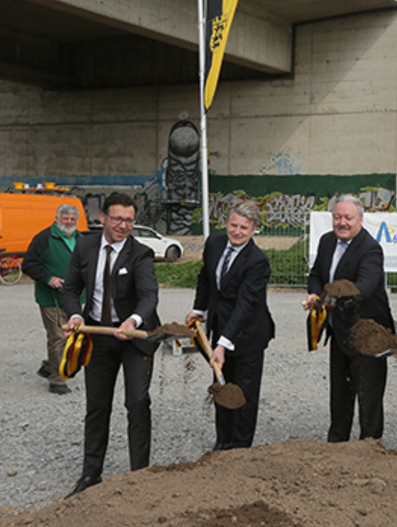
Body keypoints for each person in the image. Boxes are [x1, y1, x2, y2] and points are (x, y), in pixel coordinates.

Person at [61, 193, 161, 498]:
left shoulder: (140, 253)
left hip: (134, 340)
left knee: (137, 403)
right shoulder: (85, 246)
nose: (123, 225)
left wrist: (132, 321)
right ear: (102, 218)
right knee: (97, 407)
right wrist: (76, 314)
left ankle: (139, 477)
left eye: (129, 220)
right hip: (99, 338)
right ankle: (91, 475)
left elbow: (149, 296)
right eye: (117, 218)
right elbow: (69, 289)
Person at [185, 200, 275, 451]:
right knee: (222, 385)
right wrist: (199, 309)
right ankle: (222, 442)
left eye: (244, 228)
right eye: (233, 225)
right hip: (219, 325)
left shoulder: (257, 261)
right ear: (226, 223)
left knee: (243, 392)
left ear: (254, 229)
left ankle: (240, 447)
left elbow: (245, 306)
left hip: (248, 334)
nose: (237, 231)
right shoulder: (214, 244)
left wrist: (224, 343)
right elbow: (205, 277)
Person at [306, 195, 394, 442]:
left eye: (348, 218)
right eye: (337, 217)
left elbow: (364, 287)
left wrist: (333, 295)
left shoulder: (370, 249)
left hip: (368, 334)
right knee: (340, 395)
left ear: (360, 220)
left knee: (369, 398)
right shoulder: (326, 242)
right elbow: (315, 276)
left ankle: (370, 446)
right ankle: (337, 447)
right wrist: (315, 292)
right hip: (338, 332)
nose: (342, 222)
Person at [22, 203, 84, 395]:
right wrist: (49, 278)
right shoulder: (44, 238)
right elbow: (28, 264)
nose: (69, 222)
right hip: (51, 299)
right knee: (58, 337)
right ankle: (56, 381)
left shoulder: (81, 239)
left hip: (75, 298)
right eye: (65, 218)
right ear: (57, 219)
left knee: (72, 338)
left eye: (72, 219)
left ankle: (50, 366)